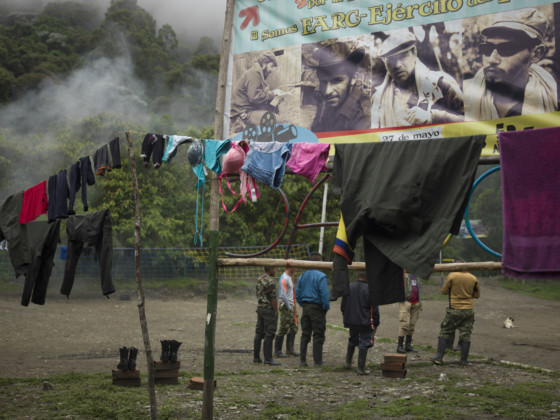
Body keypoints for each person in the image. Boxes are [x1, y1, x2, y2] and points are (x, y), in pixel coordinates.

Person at [464, 7, 557, 120]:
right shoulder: (464, 100)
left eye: (507, 49)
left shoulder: (553, 99)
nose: (492, 59)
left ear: (536, 54)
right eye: (487, 49)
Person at [371, 30, 464, 129]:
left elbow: (469, 122)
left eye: (402, 56)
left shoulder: (439, 84)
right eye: (390, 60)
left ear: (414, 52)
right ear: (385, 63)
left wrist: (433, 117)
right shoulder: (378, 99)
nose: (397, 65)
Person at [307, 41, 371, 133]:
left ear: (353, 78)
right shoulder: (331, 101)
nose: (327, 91)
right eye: (323, 82)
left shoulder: (364, 113)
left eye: (337, 81)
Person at [431, 260, 480, 366]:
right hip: (469, 310)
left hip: (455, 309)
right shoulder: (473, 278)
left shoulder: (452, 276)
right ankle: (463, 361)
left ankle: (439, 357)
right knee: (466, 335)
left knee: (445, 331)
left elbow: (444, 291)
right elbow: (477, 295)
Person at [341, 272, 380, 375]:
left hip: (351, 321)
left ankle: (348, 363)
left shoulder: (349, 287)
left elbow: (343, 306)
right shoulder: (370, 289)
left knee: (352, 340)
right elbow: (374, 309)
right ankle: (361, 368)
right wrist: (376, 322)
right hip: (365, 321)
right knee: (364, 342)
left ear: (357, 276)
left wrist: (347, 317)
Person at [230, 51, 281, 131]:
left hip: (248, 109)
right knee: (280, 121)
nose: (271, 70)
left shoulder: (257, 74)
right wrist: (272, 95)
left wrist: (276, 97)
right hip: (243, 113)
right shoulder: (254, 73)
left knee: (272, 110)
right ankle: (240, 124)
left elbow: (257, 95)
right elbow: (255, 97)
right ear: (264, 64)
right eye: (271, 66)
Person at [295, 252, 330, 367]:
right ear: (320, 262)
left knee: (305, 334)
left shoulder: (302, 276)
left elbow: (297, 293)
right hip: (317, 308)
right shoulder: (322, 276)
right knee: (318, 334)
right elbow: (324, 295)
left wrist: (303, 304)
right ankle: (317, 362)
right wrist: (325, 307)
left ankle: (302, 361)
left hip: (306, 307)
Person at [253, 266, 281, 366]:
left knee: (259, 333)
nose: (276, 271)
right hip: (268, 309)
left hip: (260, 308)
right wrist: (276, 311)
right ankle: (268, 359)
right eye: (275, 269)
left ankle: (256, 358)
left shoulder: (259, 279)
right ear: (270, 270)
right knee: (270, 333)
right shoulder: (270, 281)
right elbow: (273, 298)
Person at [274, 266, 299, 358]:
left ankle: (290, 350)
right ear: (290, 268)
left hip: (291, 305)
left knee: (294, 327)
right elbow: (282, 294)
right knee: (284, 327)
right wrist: (289, 307)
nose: (295, 269)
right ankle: (277, 351)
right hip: (286, 306)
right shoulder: (284, 278)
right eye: (294, 267)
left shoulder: (289, 277)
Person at [396, 272, 421, 354]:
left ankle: (408, 345)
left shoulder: (417, 276)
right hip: (406, 301)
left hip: (416, 302)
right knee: (404, 324)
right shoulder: (403, 274)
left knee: (412, 325)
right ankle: (399, 346)